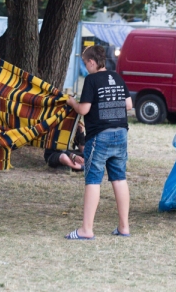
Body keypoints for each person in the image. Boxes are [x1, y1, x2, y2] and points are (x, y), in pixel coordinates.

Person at [65, 45, 132, 240]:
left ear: (92, 62)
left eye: (85, 63)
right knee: (119, 178)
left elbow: (83, 110)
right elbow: (128, 104)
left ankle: (86, 229)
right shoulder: (117, 77)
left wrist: (71, 103)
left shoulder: (91, 80)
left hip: (99, 135)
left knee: (93, 179)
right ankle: (124, 227)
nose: (85, 67)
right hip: (121, 133)